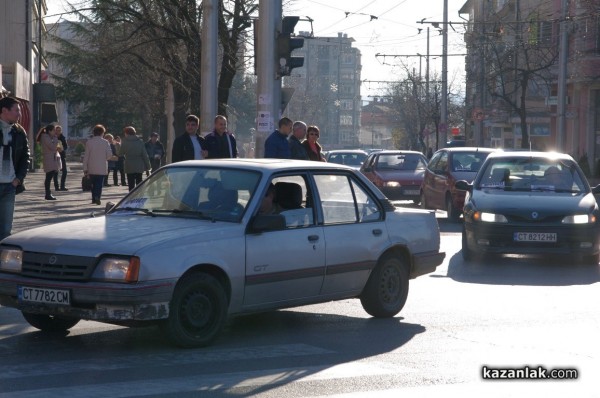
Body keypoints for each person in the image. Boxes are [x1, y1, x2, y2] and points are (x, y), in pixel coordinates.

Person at [0, 96, 30, 241]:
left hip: (10, 185)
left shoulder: (19, 131)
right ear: (4, 110)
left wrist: (18, 178)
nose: (19, 114)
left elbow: (25, 157)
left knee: (6, 230)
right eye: (16, 110)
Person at [83, 124, 114, 205]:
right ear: (102, 133)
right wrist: (105, 159)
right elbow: (109, 155)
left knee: (92, 183)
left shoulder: (89, 142)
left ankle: (93, 198)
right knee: (99, 184)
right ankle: (97, 197)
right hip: (102, 166)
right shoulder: (105, 142)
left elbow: (86, 156)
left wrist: (85, 168)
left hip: (91, 166)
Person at [119, 126, 151, 191]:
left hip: (129, 164)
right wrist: (148, 166)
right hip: (139, 164)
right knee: (139, 182)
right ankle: (138, 196)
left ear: (126, 133)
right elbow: (145, 155)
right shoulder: (140, 141)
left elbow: (120, 153)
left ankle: (131, 197)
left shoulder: (124, 141)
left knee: (131, 183)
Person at [36, 124, 60, 200]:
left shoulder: (48, 137)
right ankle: (47, 194)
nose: (55, 132)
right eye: (53, 130)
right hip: (49, 159)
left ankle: (48, 193)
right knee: (49, 177)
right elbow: (52, 147)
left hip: (51, 158)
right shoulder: (45, 137)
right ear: (49, 131)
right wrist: (56, 139)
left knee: (49, 176)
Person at [52, 124, 68, 191]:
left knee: (64, 171)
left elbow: (65, 146)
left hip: (62, 155)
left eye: (59, 130)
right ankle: (56, 187)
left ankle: (62, 186)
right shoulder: (52, 137)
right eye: (57, 130)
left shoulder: (63, 137)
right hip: (55, 156)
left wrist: (62, 149)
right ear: (55, 131)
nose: (58, 132)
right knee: (56, 171)